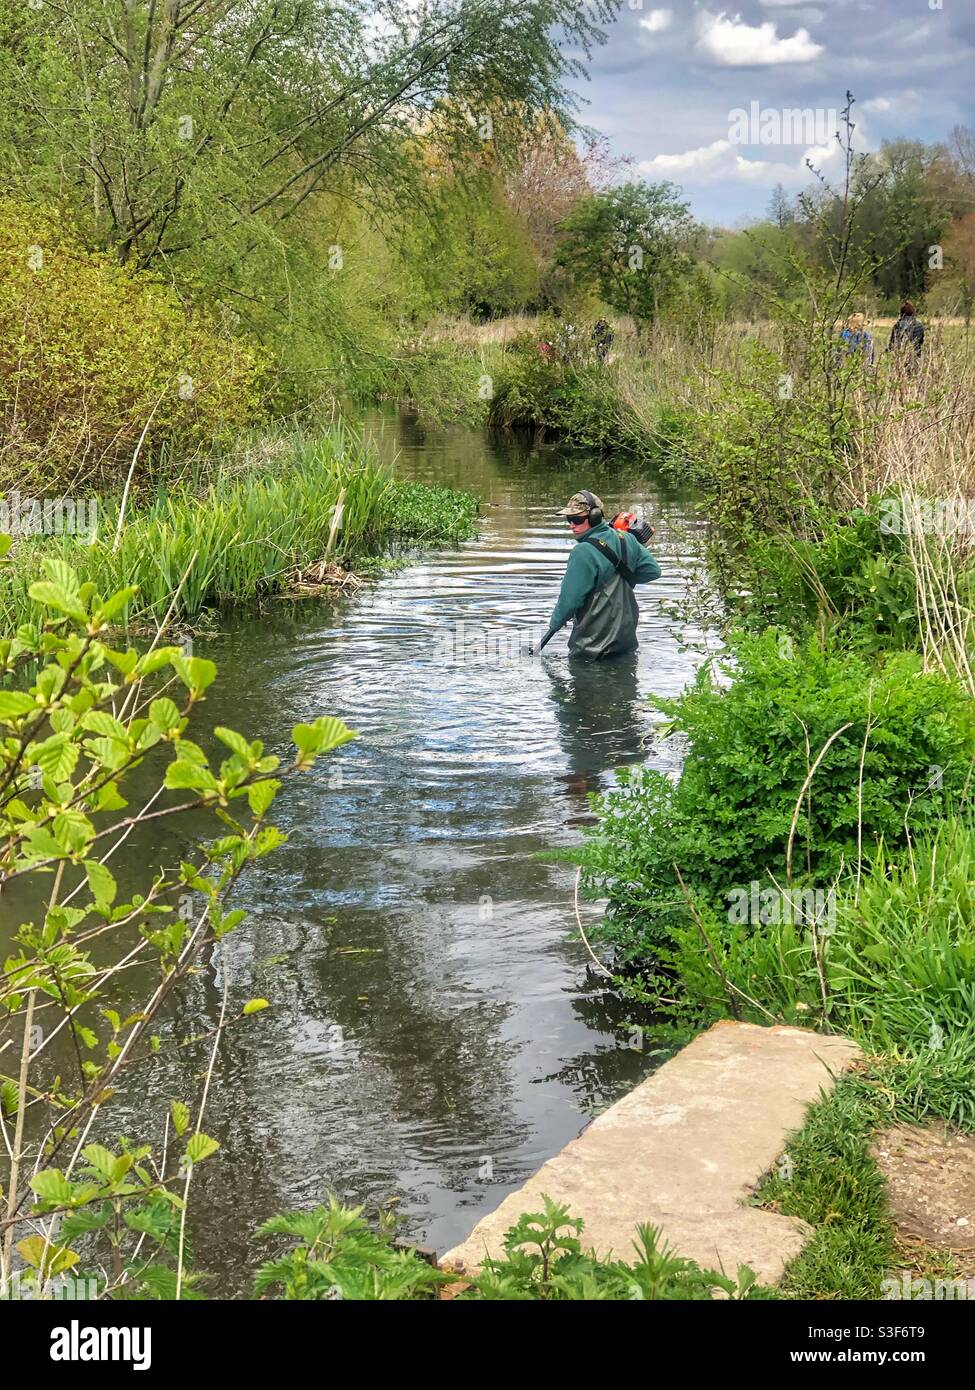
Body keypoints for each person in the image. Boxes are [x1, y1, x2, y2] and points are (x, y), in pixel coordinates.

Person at [539, 490, 661, 659]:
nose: (572, 525)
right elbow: (653, 571)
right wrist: (622, 577)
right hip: (626, 641)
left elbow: (570, 601)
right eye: (569, 519)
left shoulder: (582, 551)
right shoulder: (627, 539)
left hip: (591, 648)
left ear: (595, 516)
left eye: (577, 519)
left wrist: (555, 623)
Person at [888, 300, 924, 364]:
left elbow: (892, 344)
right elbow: (920, 343)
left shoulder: (898, 325)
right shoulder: (919, 325)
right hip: (915, 358)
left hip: (900, 358)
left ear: (902, 313)